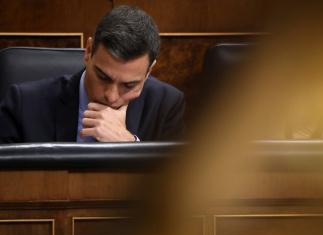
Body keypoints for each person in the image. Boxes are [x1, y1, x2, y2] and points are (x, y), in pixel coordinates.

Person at [0, 6, 185, 143]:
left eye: (128, 86)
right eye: (103, 77)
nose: (111, 96)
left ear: (148, 72)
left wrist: (129, 146)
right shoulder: (23, 104)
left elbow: (177, 187)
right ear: (88, 52)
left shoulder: (166, 104)